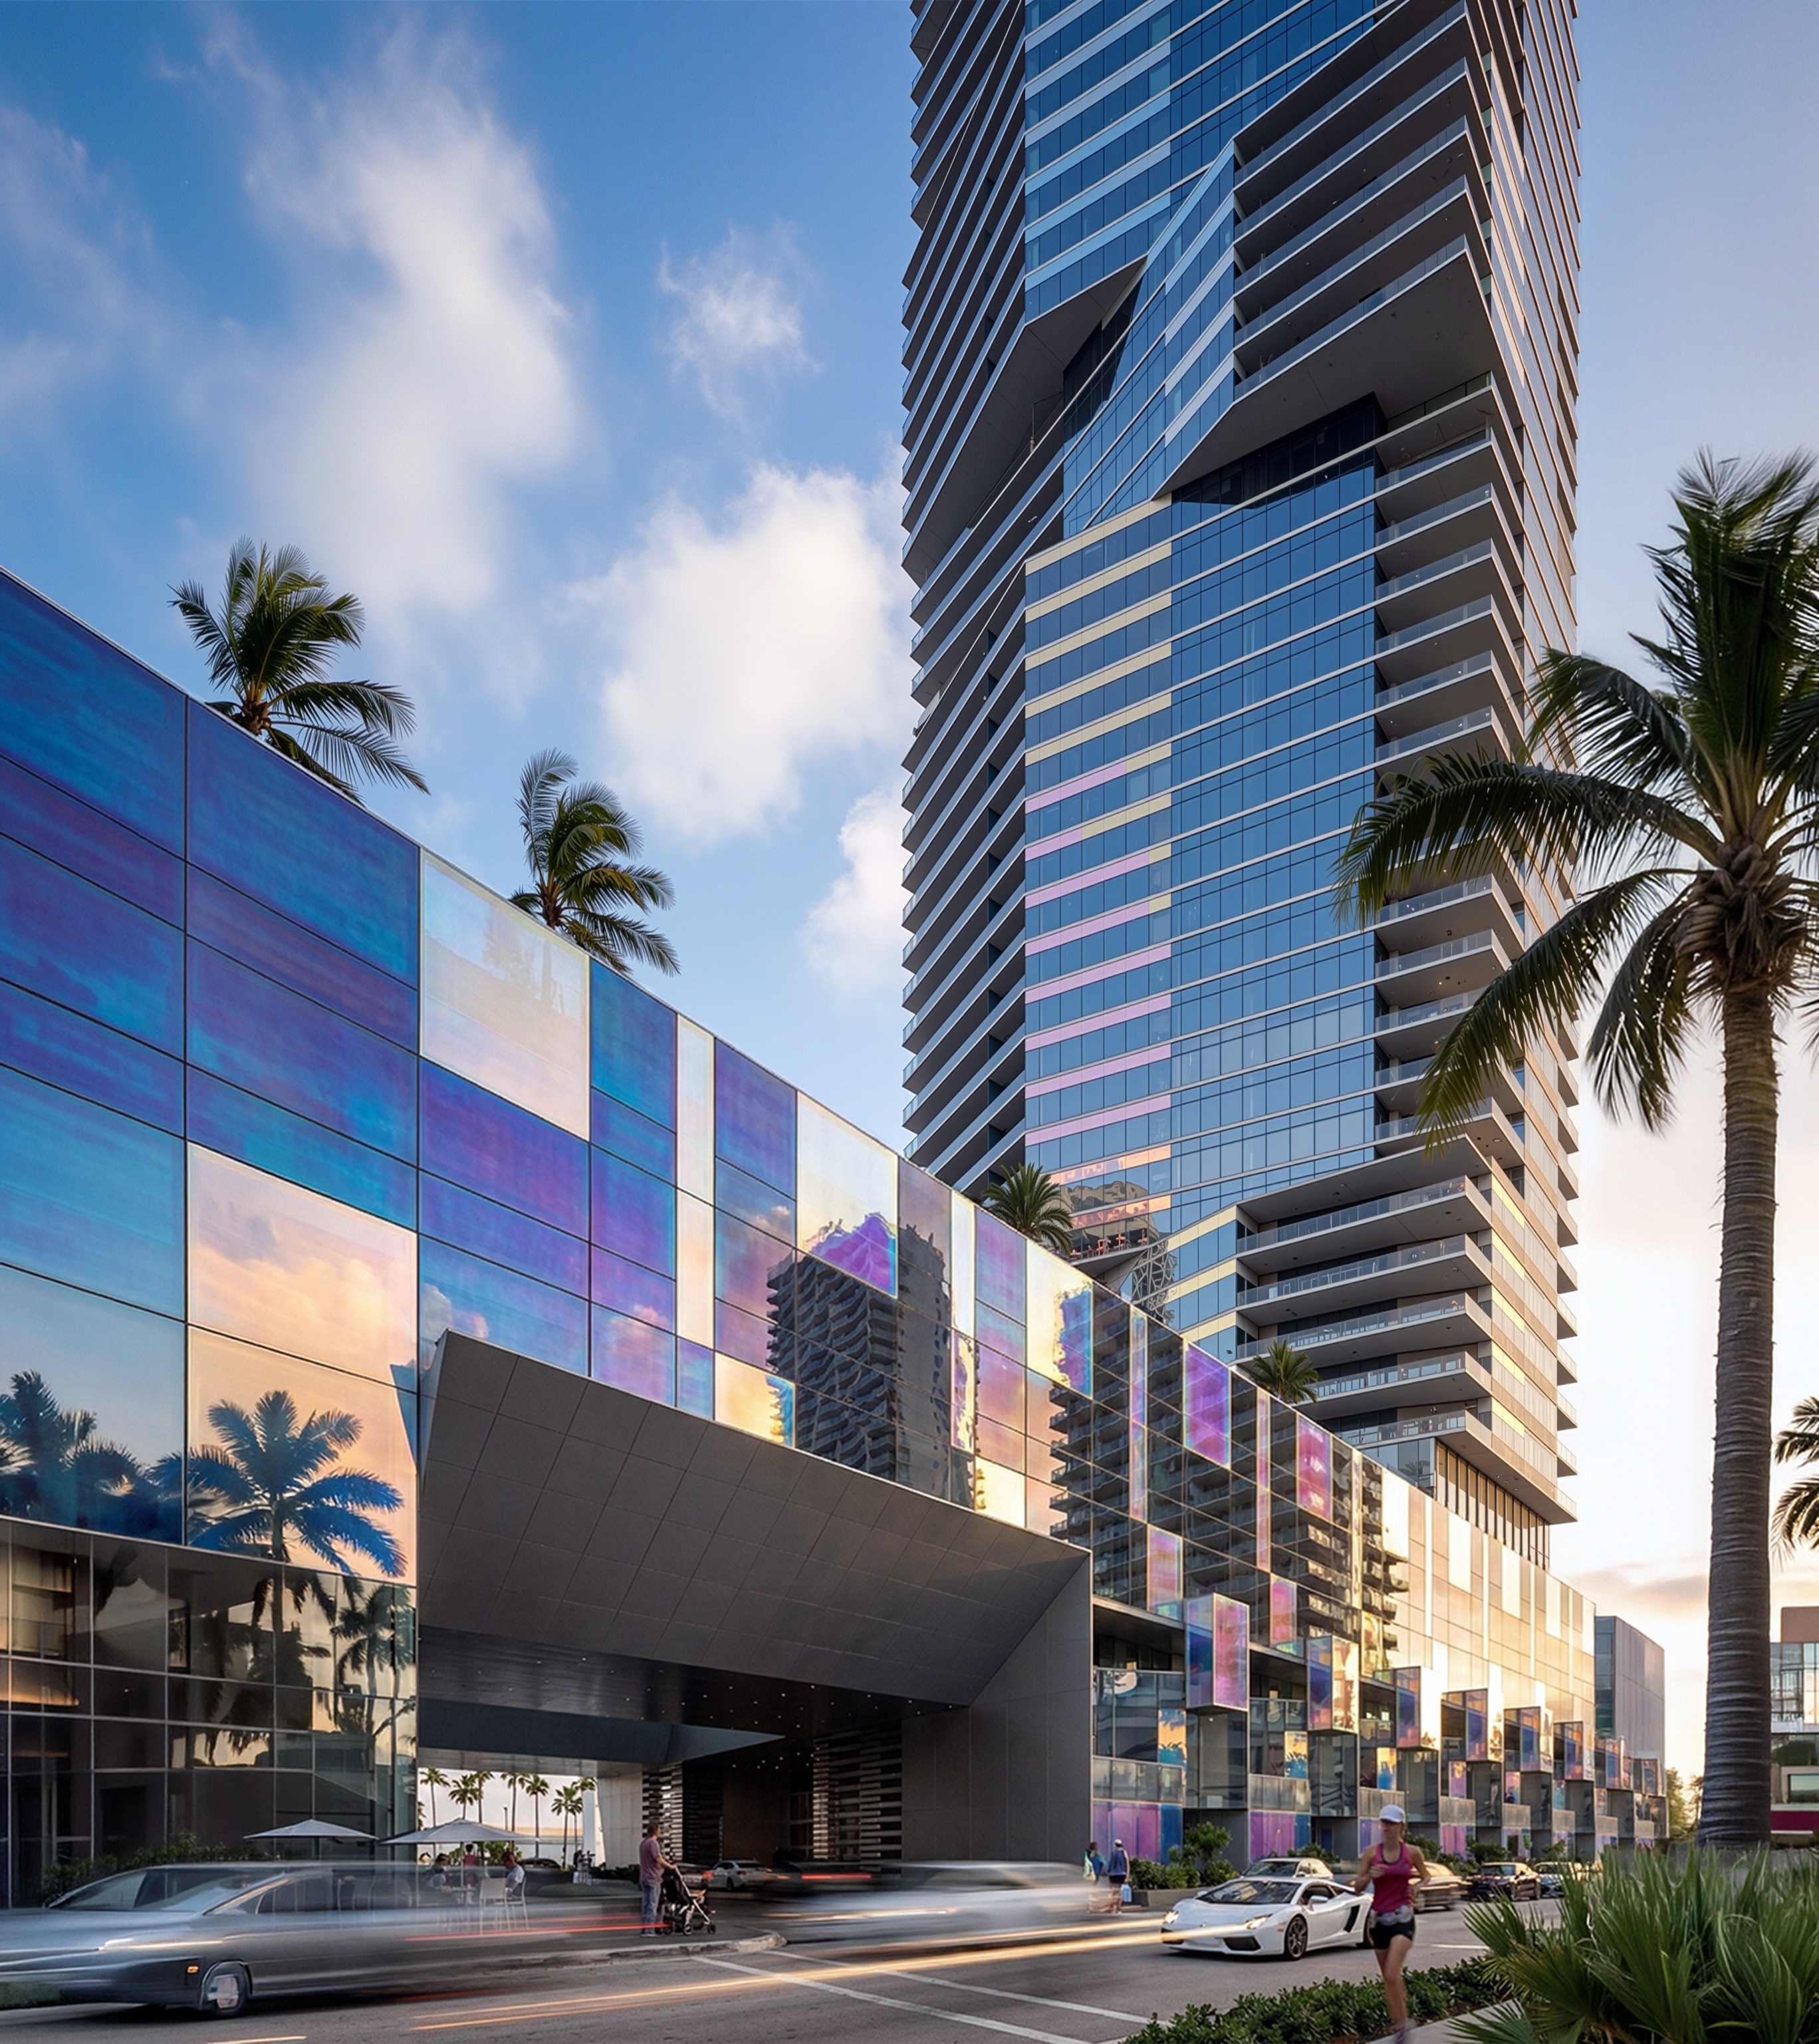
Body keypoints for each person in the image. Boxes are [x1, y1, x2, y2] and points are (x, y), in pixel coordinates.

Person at [1352, 1805, 1429, 2043]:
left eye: (1391, 1823)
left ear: (1402, 1827)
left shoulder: (1412, 1853)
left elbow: (1426, 1875)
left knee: (1393, 1973)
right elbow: (1356, 1887)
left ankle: (1403, 2028)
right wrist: (1368, 1877)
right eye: (1383, 1822)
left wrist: (1417, 1887)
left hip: (1403, 1917)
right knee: (1388, 1977)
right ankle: (1402, 2022)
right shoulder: (1371, 1853)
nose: (1386, 1827)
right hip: (1378, 1919)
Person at [638, 1823, 669, 1937]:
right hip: (654, 1877)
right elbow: (657, 1859)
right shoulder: (653, 1843)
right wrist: (669, 1866)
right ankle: (650, 1930)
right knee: (652, 1904)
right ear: (655, 1831)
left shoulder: (643, 1843)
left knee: (645, 1904)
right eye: (659, 1829)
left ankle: (644, 1928)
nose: (660, 1831)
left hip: (644, 1877)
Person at [1104, 1837, 1130, 1916]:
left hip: (1113, 1875)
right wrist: (1127, 1875)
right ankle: (1119, 1908)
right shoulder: (1124, 1853)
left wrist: (1108, 1872)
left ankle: (1112, 1908)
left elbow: (1111, 1864)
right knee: (1119, 1892)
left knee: (1113, 1891)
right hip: (1121, 1874)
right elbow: (1127, 1864)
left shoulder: (1113, 1853)